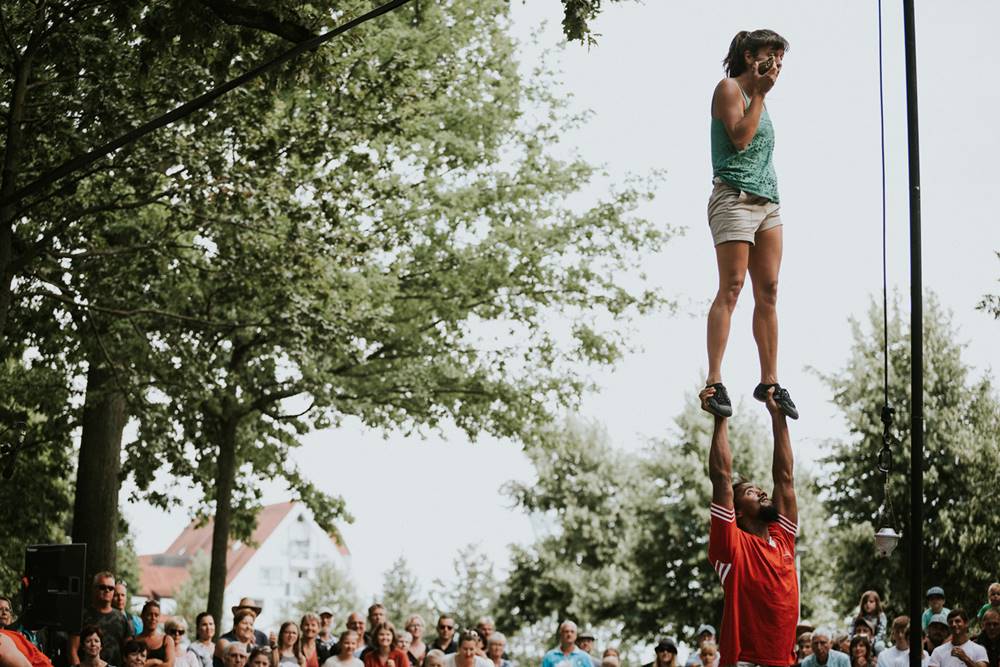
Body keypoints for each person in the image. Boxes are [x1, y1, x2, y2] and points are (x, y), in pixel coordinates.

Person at [702, 28, 797, 421]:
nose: (776, 63)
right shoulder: (730, 89)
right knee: (733, 286)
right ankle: (714, 380)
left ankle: (770, 380)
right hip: (734, 197)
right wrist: (758, 93)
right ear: (748, 57)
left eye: (780, 56)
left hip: (767, 204)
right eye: (769, 55)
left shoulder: (764, 101)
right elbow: (739, 138)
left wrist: (762, 97)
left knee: (770, 291)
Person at [703, 383, 798, 667]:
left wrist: (777, 416)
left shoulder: (783, 540)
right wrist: (720, 416)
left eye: (759, 489)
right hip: (746, 662)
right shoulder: (731, 545)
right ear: (738, 512)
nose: (761, 492)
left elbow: (785, 478)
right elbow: (721, 478)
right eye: (750, 492)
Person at [70, 572, 134, 667]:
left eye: (111, 588)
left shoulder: (122, 618)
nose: (107, 590)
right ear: (94, 589)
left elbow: (129, 652)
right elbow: (72, 650)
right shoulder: (82, 616)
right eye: (102, 587)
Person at [136, 600, 174, 667]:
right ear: (142, 616)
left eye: (156, 615)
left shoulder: (166, 640)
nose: (153, 618)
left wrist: (143, 664)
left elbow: (169, 665)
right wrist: (154, 661)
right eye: (149, 614)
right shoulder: (134, 640)